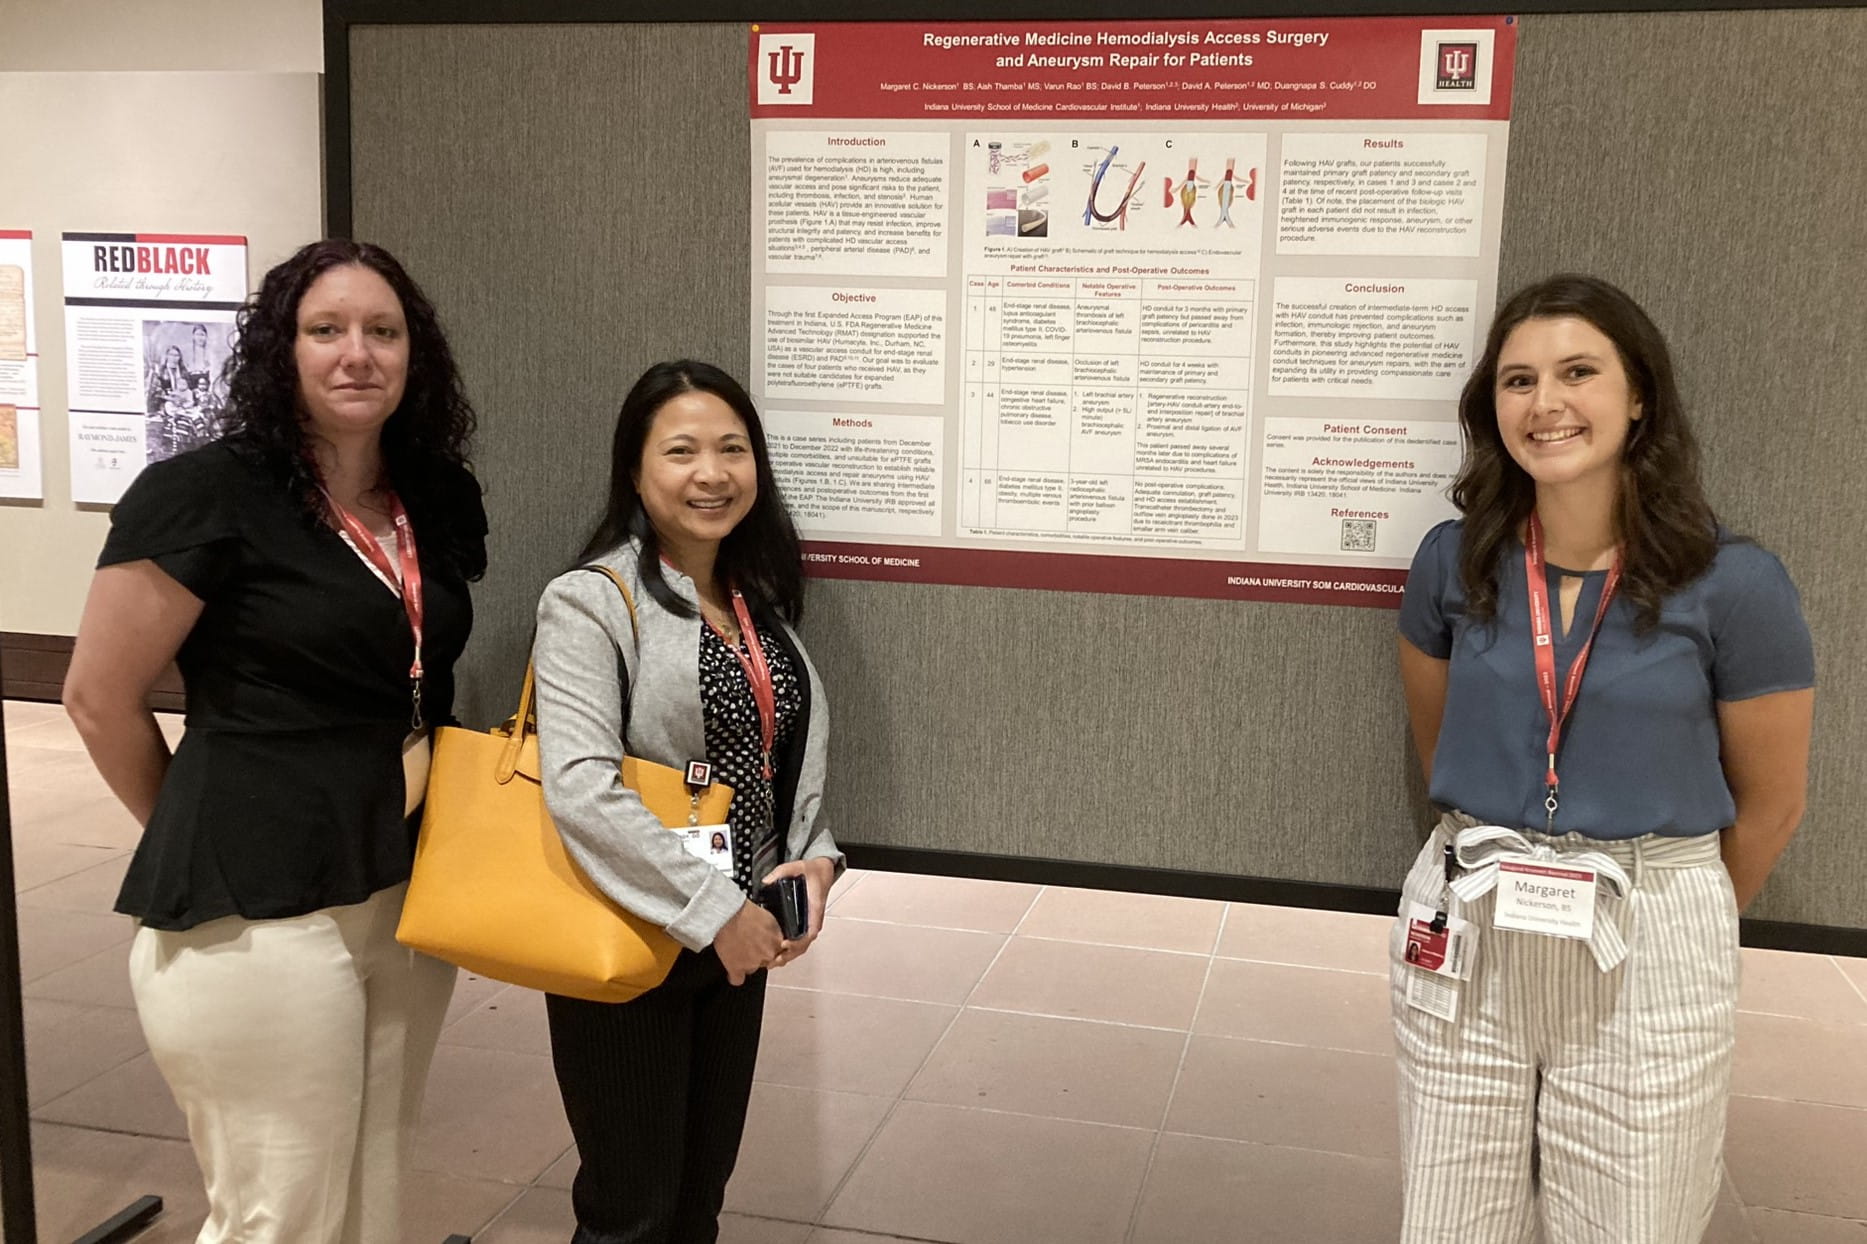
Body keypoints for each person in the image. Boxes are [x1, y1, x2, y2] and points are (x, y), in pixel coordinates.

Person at [63, 239, 486, 1244]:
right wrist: (200, 827)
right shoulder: (207, 491)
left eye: (382, 332)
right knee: (280, 1211)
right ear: (280, 351)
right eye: (325, 330)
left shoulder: (428, 495)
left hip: (400, 881)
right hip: (253, 901)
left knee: (374, 1183)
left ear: (412, 355)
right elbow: (95, 697)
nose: (357, 354)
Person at [1391, 274, 1814, 1243]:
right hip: (1470, 916)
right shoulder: (1450, 563)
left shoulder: (1735, 584)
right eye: (1518, 379)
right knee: (1447, 1221)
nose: (1545, 403)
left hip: (1648, 928)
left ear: (1638, 398)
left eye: (1577, 371)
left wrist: (1662, 904)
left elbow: (1774, 802)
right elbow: (1437, 743)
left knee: (1632, 1222)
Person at [532, 359, 842, 1244]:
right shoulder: (591, 602)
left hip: (739, 938)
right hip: (635, 930)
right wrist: (713, 912)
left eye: (732, 449)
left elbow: (778, 763)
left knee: (699, 1195)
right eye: (681, 451)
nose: (711, 473)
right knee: (632, 1209)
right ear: (635, 471)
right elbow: (580, 787)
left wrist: (817, 857)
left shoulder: (751, 602)